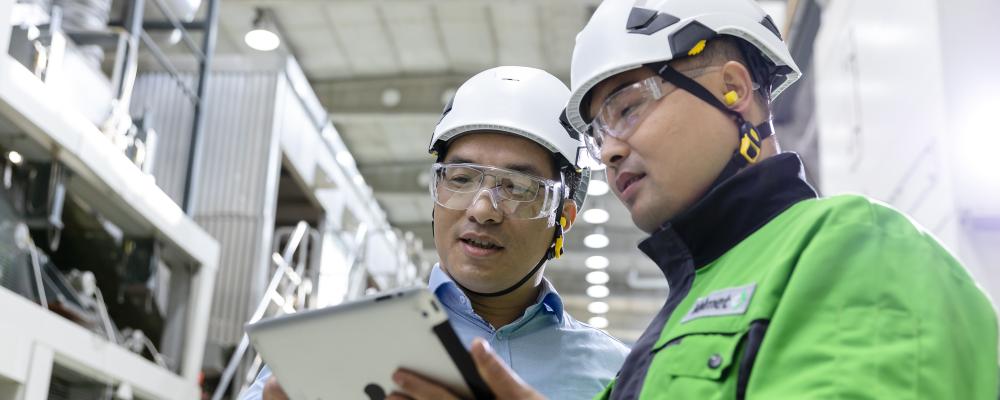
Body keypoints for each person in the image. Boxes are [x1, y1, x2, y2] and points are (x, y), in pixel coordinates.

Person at [392, 0, 1000, 399]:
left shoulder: (855, 247)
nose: (608, 151)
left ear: (733, 89)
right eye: (599, 130)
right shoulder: (670, 327)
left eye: (627, 108)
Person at [242, 66, 629, 400]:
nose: (482, 209)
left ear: (564, 216)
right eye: (459, 179)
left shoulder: (620, 374)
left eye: (518, 188)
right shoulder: (327, 348)